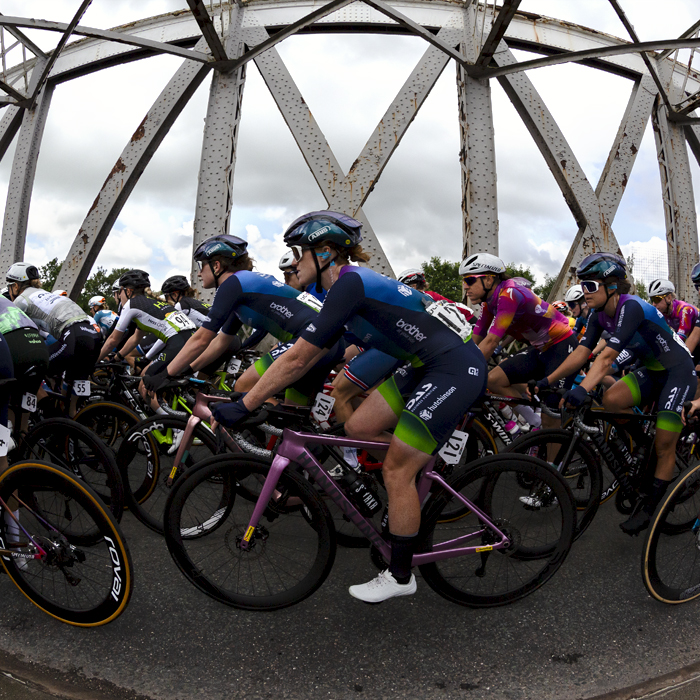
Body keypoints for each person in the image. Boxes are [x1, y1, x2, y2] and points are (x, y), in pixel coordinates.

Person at [209, 211, 487, 603]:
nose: (294, 262)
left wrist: (247, 402)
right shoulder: (338, 290)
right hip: (422, 365)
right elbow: (317, 354)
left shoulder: (349, 282)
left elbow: (296, 358)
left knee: (395, 469)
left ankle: (401, 573)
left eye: (298, 253)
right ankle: (419, 474)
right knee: (357, 428)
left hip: (454, 367)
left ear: (324, 253)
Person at [541, 253, 697, 535]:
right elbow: (582, 352)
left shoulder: (631, 307)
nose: (584, 292)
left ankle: (652, 508)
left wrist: (580, 389)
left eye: (589, 286)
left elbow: (607, 356)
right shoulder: (599, 315)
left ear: (611, 286)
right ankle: (643, 442)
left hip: (678, 371)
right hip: (653, 370)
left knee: (664, 445)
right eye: (582, 285)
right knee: (612, 400)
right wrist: (547, 379)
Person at [144, 234, 344, 406]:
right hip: (328, 341)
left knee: (243, 386)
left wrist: (167, 374)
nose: (198, 273)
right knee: (294, 422)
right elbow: (220, 342)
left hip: (310, 340)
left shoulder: (233, 284)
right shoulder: (243, 286)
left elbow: (201, 339)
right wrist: (187, 371)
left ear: (216, 265)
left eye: (201, 265)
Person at [463, 253, 577, 431]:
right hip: (540, 348)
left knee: (551, 416)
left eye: (469, 280)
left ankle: (554, 459)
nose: (465, 287)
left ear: (488, 280)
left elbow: (492, 340)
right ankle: (535, 422)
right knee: (493, 380)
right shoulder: (489, 303)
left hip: (561, 344)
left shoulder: (509, 293)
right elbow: (476, 338)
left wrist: (464, 371)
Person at [6, 263, 101, 415]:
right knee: (69, 400)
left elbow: (16, 334)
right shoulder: (45, 294)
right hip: (93, 335)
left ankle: (51, 417)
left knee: (27, 372)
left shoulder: (21, 300)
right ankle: (71, 429)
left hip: (74, 335)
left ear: (16, 286)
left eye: (10, 286)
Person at [98, 269, 196, 410]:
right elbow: (135, 338)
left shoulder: (131, 305)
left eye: (120, 291)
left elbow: (113, 339)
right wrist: (118, 357)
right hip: (189, 339)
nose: (119, 296)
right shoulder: (149, 304)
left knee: (144, 386)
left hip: (177, 343)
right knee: (146, 374)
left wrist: (95, 361)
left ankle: (174, 429)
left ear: (128, 291)